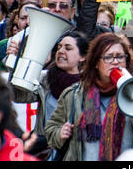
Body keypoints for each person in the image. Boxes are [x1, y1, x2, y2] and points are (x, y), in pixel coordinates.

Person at [45, 33, 133, 161]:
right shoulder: (74, 94)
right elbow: (50, 130)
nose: (115, 62)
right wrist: (60, 134)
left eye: (120, 57)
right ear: (96, 63)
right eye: (108, 57)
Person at [12, 31, 88, 160]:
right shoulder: (44, 79)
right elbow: (18, 96)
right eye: (59, 47)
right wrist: (20, 63)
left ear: (83, 57)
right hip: (44, 150)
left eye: (68, 48)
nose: (61, 51)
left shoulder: (88, 85)